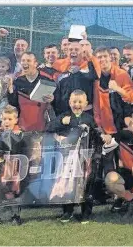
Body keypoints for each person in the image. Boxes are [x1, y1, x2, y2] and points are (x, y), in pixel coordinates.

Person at [45, 90, 105, 223]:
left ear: (86, 104)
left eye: (80, 102)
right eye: (74, 102)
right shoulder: (64, 116)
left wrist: (101, 138)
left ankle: (86, 212)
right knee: (67, 182)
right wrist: (61, 122)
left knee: (86, 184)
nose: (76, 104)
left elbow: (96, 135)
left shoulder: (89, 118)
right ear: (69, 102)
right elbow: (48, 128)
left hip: (84, 158)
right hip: (68, 158)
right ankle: (67, 211)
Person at [0, 105, 24, 229]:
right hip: (0, 168)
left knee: (14, 190)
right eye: (4, 119)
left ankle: (15, 214)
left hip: (15, 168)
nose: (6, 122)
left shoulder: (20, 132)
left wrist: (20, 136)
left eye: (9, 119)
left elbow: (24, 148)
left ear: (16, 120)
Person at [92, 46, 133, 135]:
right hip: (106, 129)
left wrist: (118, 89)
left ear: (110, 58)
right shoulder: (95, 79)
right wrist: (99, 125)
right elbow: (96, 106)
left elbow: (132, 98)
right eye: (99, 57)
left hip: (124, 126)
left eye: (105, 56)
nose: (103, 59)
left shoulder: (122, 74)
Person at [7, 52, 55, 132]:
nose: (25, 63)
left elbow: (56, 105)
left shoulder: (47, 81)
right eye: (23, 60)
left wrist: (53, 99)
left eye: (28, 60)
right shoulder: (17, 81)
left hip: (42, 129)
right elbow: (13, 104)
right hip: (22, 128)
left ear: (35, 64)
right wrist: (10, 89)